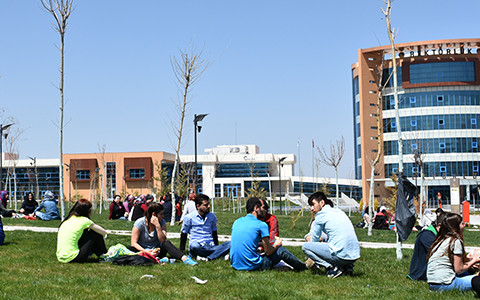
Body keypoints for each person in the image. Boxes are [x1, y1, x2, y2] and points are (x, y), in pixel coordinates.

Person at [230, 197, 306, 271]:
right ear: (256, 208)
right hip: (252, 266)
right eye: (262, 208)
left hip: (235, 265)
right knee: (281, 251)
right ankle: (304, 267)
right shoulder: (261, 225)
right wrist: (277, 245)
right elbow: (268, 251)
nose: (265, 211)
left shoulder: (237, 222)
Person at [302, 192, 360, 278]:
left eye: (313, 204)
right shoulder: (339, 212)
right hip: (354, 255)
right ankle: (348, 268)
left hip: (341, 256)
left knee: (306, 247)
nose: (311, 208)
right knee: (336, 242)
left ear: (322, 203)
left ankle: (331, 268)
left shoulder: (320, 215)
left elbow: (314, 240)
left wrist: (311, 257)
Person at [427, 213, 480, 295]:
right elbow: (459, 270)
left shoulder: (440, 240)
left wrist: (469, 261)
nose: (464, 225)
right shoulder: (455, 241)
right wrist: (475, 260)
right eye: (462, 223)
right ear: (455, 227)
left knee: (469, 274)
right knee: (476, 280)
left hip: (432, 283)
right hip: (445, 284)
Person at [130, 202, 197, 265]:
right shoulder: (140, 223)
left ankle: (184, 258)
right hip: (142, 251)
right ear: (154, 214)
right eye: (161, 214)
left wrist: (158, 226)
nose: (163, 216)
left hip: (157, 251)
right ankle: (158, 260)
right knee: (130, 249)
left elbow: (163, 240)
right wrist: (146, 252)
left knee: (167, 243)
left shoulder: (162, 222)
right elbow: (133, 243)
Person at [180, 194, 231, 261]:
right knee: (194, 246)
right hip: (198, 245)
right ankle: (216, 255)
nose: (209, 206)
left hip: (210, 245)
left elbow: (214, 233)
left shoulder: (212, 217)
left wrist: (217, 247)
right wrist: (181, 251)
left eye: (208, 204)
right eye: (206, 205)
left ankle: (209, 257)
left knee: (230, 244)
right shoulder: (189, 218)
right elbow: (184, 233)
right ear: (198, 206)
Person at [56, 199, 108, 263]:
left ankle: (101, 255)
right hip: (74, 257)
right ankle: (104, 255)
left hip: (60, 257)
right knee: (94, 233)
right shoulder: (84, 221)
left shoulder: (68, 220)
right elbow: (103, 232)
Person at [407, 209, 446, 281]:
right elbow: (440, 256)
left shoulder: (437, 234)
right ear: (440, 225)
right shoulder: (427, 236)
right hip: (422, 275)